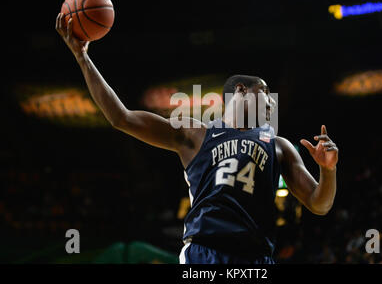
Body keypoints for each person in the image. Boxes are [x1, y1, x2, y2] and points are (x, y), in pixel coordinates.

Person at [56, 14, 339, 264]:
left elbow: (319, 204)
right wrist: (83, 58)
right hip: (204, 254)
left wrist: (328, 171)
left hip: (256, 259)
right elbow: (121, 118)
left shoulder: (279, 146)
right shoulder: (194, 133)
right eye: (265, 91)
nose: (271, 102)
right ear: (241, 90)